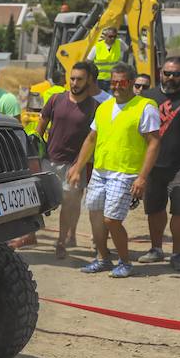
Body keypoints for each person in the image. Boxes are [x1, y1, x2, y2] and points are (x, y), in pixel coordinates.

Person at [68, 63, 161, 278]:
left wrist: (142, 178)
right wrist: (77, 167)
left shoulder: (145, 107)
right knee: (95, 216)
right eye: (114, 82)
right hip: (101, 171)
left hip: (126, 173)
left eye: (122, 82)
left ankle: (125, 262)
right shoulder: (104, 107)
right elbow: (91, 139)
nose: (117, 86)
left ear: (131, 83)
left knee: (111, 219)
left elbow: (154, 143)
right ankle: (102, 258)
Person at [34, 61, 100, 258]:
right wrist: (36, 152)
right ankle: (30, 235)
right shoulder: (56, 100)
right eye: (72, 78)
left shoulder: (94, 107)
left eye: (79, 79)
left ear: (89, 80)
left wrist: (79, 166)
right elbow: (41, 126)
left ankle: (62, 241)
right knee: (36, 200)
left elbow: (92, 139)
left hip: (74, 165)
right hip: (49, 160)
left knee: (70, 204)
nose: (74, 82)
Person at [136, 56, 180, 271]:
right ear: (160, 72)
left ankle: (177, 254)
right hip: (153, 165)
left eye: (176, 74)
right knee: (154, 209)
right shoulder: (147, 97)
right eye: (167, 73)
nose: (171, 77)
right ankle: (156, 249)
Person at [87, 26, 129, 91]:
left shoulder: (119, 43)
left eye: (114, 37)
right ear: (105, 36)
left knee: (112, 99)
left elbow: (127, 49)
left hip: (114, 79)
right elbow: (88, 62)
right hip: (99, 80)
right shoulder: (97, 47)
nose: (112, 38)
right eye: (110, 36)